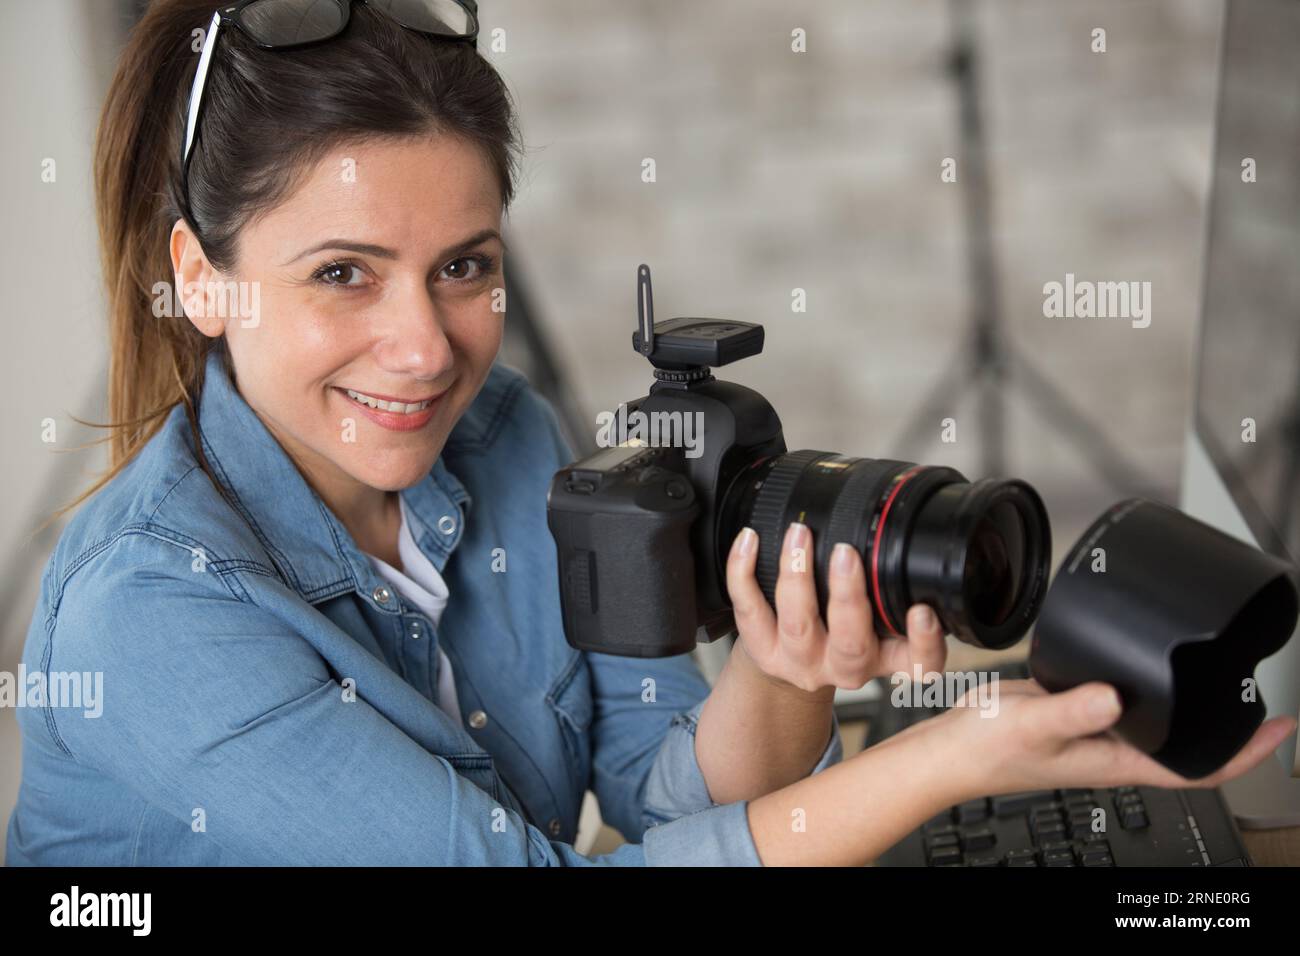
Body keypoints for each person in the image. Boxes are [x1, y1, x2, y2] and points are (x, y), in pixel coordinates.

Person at [6, 0, 1292, 867]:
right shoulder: (150, 611)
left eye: (462, 265)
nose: (425, 347)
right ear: (203, 275)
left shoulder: (504, 432)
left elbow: (660, 791)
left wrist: (784, 670)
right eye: (343, 272)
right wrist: (958, 753)